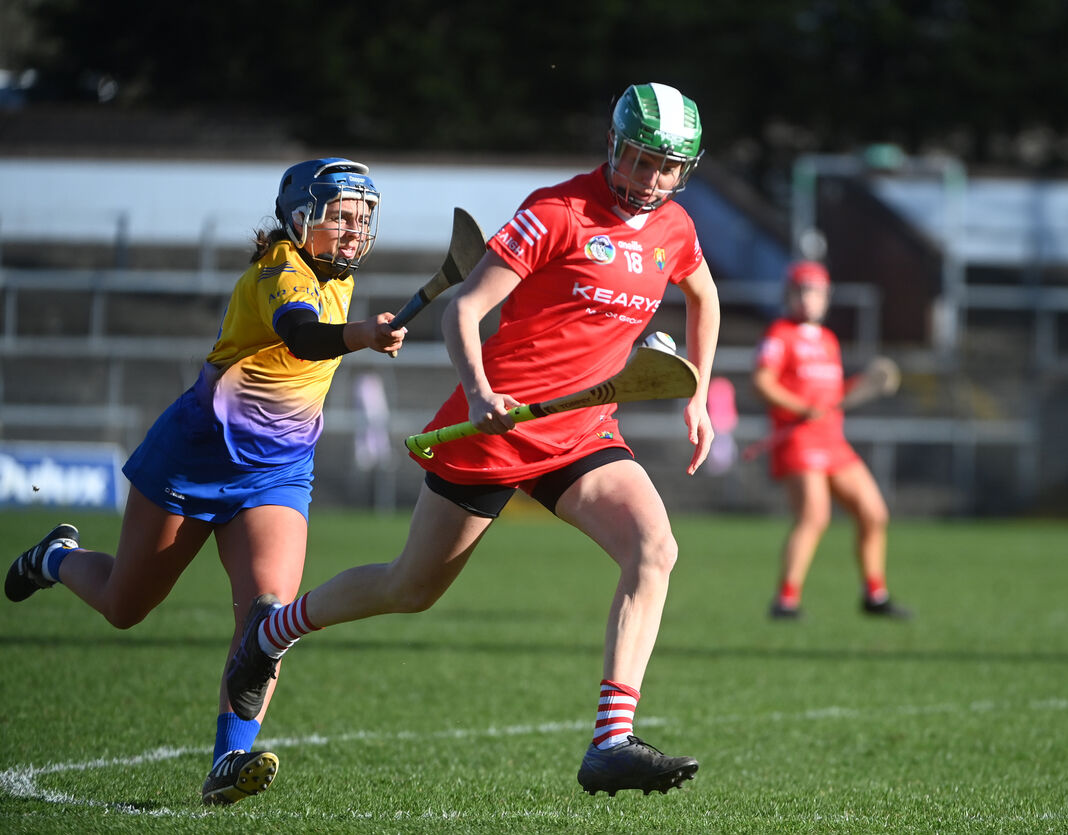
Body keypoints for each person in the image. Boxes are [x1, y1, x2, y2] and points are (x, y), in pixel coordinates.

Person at [224, 82, 721, 797]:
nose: (652, 181)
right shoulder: (558, 210)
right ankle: (271, 633)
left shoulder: (675, 228)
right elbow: (466, 308)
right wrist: (484, 392)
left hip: (582, 430)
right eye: (640, 161)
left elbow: (702, 293)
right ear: (614, 147)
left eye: (667, 168)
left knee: (655, 547)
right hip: (498, 426)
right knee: (409, 587)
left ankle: (611, 738)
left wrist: (699, 391)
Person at [4, 158, 407, 805]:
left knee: (267, 616)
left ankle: (229, 760)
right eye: (341, 215)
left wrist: (358, 329)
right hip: (193, 458)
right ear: (301, 218)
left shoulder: (340, 273)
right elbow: (302, 336)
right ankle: (56, 556)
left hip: (275, 473)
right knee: (123, 605)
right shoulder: (282, 268)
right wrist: (360, 335)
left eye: (363, 217)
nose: (355, 229)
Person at [752, 260, 911, 620]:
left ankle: (875, 595)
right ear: (789, 295)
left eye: (816, 291)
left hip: (833, 441)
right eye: (801, 290)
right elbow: (762, 383)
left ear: (826, 297)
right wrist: (801, 406)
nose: (808, 298)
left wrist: (867, 384)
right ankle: (785, 600)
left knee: (873, 513)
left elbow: (834, 395)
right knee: (814, 516)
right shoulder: (780, 334)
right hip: (798, 440)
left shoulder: (828, 340)